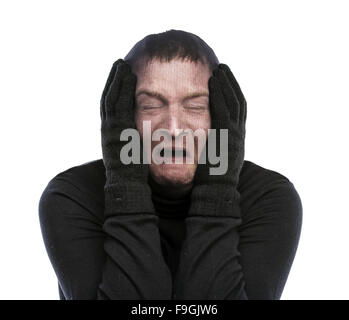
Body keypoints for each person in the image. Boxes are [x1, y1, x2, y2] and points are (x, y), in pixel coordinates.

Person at [38, 29, 302, 300]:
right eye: (151, 106)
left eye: (196, 106)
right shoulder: (72, 197)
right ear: (125, 117)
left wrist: (218, 184)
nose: (174, 129)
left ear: (222, 116)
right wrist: (126, 184)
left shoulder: (269, 198)